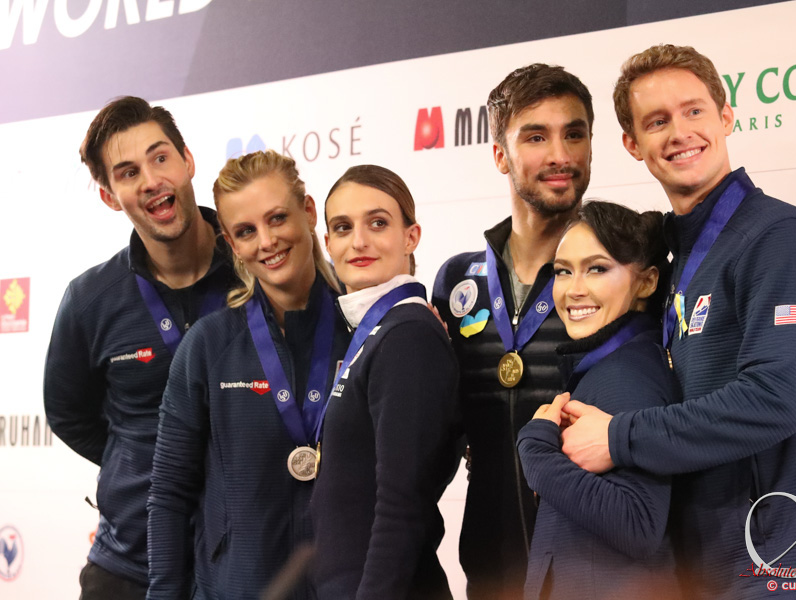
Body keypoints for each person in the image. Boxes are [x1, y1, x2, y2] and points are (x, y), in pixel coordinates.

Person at [558, 44, 796, 599]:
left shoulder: (782, 238)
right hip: (716, 575)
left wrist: (618, 438)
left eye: (694, 111)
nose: (680, 132)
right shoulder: (672, 258)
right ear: (633, 144)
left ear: (726, 117)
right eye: (657, 121)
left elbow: (775, 399)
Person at [43, 97, 233, 599]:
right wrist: (137, 458)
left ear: (187, 160)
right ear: (111, 197)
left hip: (242, 567)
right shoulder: (89, 299)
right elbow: (68, 415)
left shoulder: (258, 271)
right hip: (129, 568)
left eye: (160, 157)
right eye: (128, 172)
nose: (150, 180)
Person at [146, 150, 348, 599]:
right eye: (246, 231)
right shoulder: (208, 344)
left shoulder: (364, 330)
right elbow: (170, 493)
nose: (267, 241)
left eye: (277, 218)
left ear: (308, 211)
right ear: (232, 243)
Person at [431, 63, 593, 599]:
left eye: (574, 134)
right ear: (500, 155)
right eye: (536, 137)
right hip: (489, 571)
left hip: (592, 573)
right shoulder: (457, 282)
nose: (560, 155)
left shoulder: (622, 272)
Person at [516, 200, 681, 600]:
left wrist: (537, 457)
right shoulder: (608, 365)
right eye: (563, 271)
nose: (574, 289)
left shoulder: (628, 374)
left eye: (597, 269)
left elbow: (638, 524)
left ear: (647, 282)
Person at [310, 165, 460, 599]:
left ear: (411, 237)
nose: (359, 241)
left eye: (378, 223)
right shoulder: (378, 331)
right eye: (343, 227)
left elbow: (401, 505)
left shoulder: (407, 335)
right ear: (328, 244)